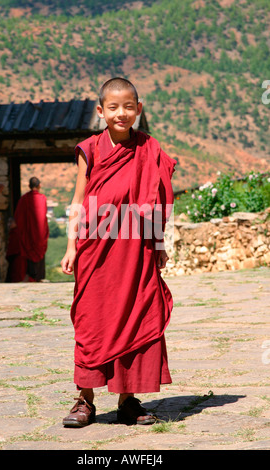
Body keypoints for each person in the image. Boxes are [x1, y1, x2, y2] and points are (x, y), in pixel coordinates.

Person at [61, 77, 176, 427]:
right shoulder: (90, 149)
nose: (121, 113)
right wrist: (70, 245)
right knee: (91, 320)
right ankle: (85, 399)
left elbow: (155, 201)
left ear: (138, 109)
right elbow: (78, 201)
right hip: (96, 247)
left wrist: (158, 243)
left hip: (136, 248)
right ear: (101, 111)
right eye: (113, 107)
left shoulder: (149, 148)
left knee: (137, 315)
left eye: (128, 107)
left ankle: (128, 400)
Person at [14, 177, 49, 282]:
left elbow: (18, 218)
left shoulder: (24, 199)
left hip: (27, 235)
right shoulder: (42, 198)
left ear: (29, 186)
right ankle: (39, 277)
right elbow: (43, 218)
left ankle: (30, 277)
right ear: (39, 186)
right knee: (39, 257)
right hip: (40, 236)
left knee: (29, 256)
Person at [5, 217, 27, 283]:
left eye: (11, 222)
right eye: (8, 223)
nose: (9, 224)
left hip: (16, 256)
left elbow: (15, 246)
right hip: (13, 256)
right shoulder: (12, 233)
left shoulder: (17, 233)